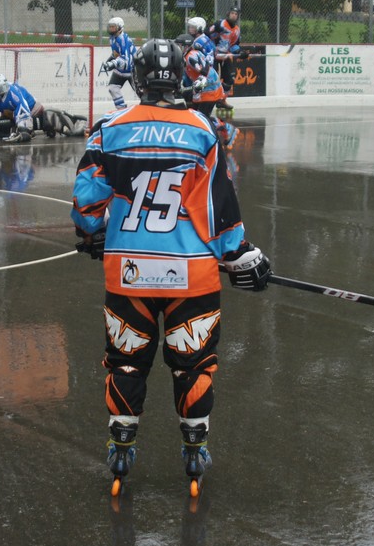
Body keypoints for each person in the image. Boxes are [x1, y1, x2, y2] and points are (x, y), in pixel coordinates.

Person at [71, 37, 271, 499]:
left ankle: (121, 446)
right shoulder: (201, 129)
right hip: (192, 276)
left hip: (129, 274)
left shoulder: (109, 129)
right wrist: (241, 254)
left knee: (125, 361)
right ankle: (195, 449)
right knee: (193, 366)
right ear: (180, 78)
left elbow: (85, 205)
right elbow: (218, 206)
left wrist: (94, 233)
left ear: (139, 80)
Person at [0, 74, 55, 142]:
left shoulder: (14, 94)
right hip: (13, 111)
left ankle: (41, 125)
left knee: (27, 128)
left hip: (32, 107)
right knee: (3, 125)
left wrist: (23, 129)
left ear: (1, 89)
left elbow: (23, 109)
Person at [207, 5, 246, 109]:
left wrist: (240, 52)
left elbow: (234, 45)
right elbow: (207, 34)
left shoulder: (237, 30)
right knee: (211, 79)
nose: (234, 15)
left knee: (229, 80)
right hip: (213, 55)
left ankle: (222, 100)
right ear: (228, 14)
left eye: (236, 14)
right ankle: (208, 102)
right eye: (232, 13)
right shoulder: (220, 24)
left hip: (225, 56)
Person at [100, 17, 137, 109]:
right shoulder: (112, 38)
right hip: (121, 70)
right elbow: (116, 53)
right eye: (110, 27)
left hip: (132, 70)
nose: (111, 29)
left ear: (120, 28)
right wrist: (111, 58)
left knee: (140, 92)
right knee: (113, 88)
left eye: (114, 27)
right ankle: (121, 109)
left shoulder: (124, 39)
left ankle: (150, 110)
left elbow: (126, 60)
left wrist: (112, 64)